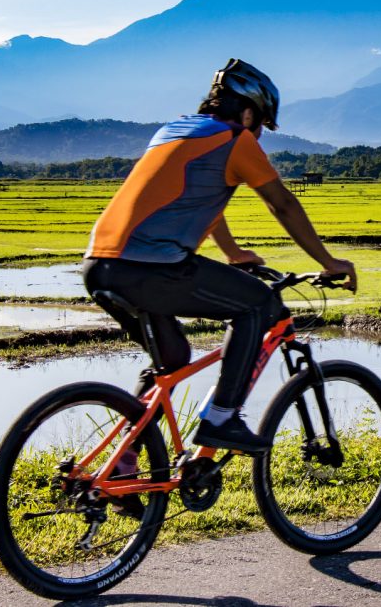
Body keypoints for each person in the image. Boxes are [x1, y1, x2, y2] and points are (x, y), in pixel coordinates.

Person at [82, 59, 357, 454]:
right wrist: (329, 262)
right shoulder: (234, 140)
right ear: (247, 113)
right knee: (258, 304)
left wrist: (232, 252)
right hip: (150, 267)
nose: (260, 135)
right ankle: (222, 417)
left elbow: (196, 199)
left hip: (99, 266)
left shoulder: (171, 131)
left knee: (172, 358)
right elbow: (282, 204)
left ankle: (123, 460)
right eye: (261, 124)